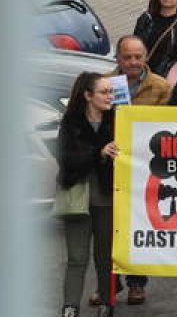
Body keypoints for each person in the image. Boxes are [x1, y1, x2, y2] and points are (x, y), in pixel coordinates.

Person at [56, 72, 117, 317]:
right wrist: (98, 153)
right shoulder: (71, 122)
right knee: (76, 257)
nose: (109, 96)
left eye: (111, 91)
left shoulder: (117, 119)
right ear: (88, 95)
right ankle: (70, 305)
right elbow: (67, 160)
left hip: (108, 197)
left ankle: (107, 301)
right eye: (104, 92)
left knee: (105, 257)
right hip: (77, 198)